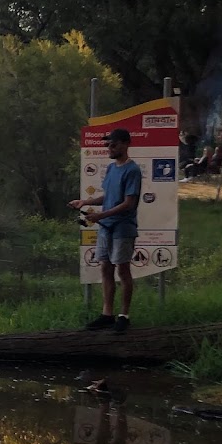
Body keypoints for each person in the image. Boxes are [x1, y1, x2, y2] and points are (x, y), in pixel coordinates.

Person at [69, 127, 142, 333]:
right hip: (106, 228)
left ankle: (124, 316)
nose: (109, 147)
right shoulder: (111, 169)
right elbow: (108, 196)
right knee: (105, 269)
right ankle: (107, 314)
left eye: (113, 144)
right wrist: (85, 202)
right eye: (107, 144)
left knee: (123, 270)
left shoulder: (132, 170)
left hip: (123, 228)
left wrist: (100, 215)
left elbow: (129, 203)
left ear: (125, 144)